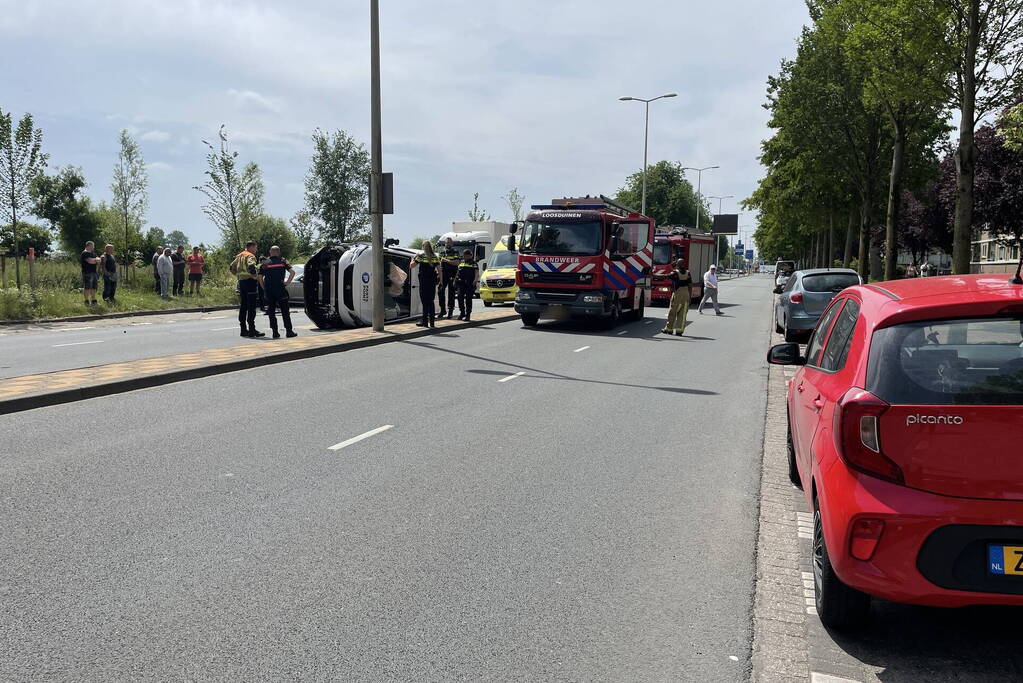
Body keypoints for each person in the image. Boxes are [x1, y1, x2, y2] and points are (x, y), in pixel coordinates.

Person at [258, 245, 298, 339]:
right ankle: (289, 331)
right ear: (279, 252)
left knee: (271, 312)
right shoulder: (283, 261)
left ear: (270, 252)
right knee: (285, 311)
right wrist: (287, 282)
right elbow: (292, 272)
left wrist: (264, 287)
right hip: (280, 288)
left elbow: (259, 277)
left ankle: (275, 332)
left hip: (269, 290)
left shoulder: (264, 263)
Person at [232, 240, 264, 337]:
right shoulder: (250, 256)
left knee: (243, 306)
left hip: (241, 282)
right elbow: (251, 266)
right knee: (251, 307)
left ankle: (243, 329)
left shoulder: (239, 256)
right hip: (250, 282)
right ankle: (252, 330)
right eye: (256, 247)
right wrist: (255, 276)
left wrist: (238, 275)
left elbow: (231, 267)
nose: (256, 249)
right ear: (251, 247)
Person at [411, 241, 441, 327]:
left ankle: (425, 322)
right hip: (432, 283)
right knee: (431, 302)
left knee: (424, 302)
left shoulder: (420, 257)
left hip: (424, 282)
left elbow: (411, 266)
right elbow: (439, 270)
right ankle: (432, 322)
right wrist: (441, 281)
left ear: (423, 247)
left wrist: (414, 257)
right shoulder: (435, 257)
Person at [663, 258, 693, 335]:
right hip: (686, 294)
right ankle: (679, 331)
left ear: (677, 265)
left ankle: (669, 329)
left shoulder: (675, 273)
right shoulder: (688, 273)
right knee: (682, 314)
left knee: (673, 312)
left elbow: (664, 276)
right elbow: (690, 285)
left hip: (677, 295)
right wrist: (690, 297)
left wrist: (652, 274)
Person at [437, 237, 460, 319]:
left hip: (452, 275)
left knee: (451, 293)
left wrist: (446, 260)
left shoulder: (455, 252)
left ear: (452, 244)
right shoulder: (442, 252)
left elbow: (456, 263)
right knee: (440, 291)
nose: (448, 244)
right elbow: (439, 263)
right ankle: (443, 310)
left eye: (449, 243)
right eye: (447, 243)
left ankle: (450, 311)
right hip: (443, 275)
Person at [455, 249, 480, 320]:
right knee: (460, 297)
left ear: (469, 255)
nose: (464, 256)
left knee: (468, 299)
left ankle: (468, 314)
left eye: (466, 255)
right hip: (461, 283)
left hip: (470, 283)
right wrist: (455, 280)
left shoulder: (474, 263)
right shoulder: (461, 263)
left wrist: (475, 280)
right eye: (464, 255)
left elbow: (476, 272)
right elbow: (458, 272)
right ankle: (462, 312)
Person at [80, 241, 101, 306]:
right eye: (93, 246)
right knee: (87, 287)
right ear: (89, 245)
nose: (94, 247)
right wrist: (95, 260)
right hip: (87, 273)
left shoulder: (93, 253)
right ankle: (86, 301)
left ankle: (93, 301)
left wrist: (94, 260)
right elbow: (90, 261)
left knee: (94, 287)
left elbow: (99, 260)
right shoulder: (84, 253)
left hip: (94, 272)